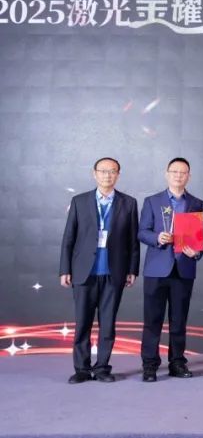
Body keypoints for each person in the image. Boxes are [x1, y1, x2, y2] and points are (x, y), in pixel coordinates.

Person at [59, 157, 139, 383]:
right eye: (103, 171)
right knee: (82, 323)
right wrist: (65, 269)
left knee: (108, 324)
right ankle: (82, 369)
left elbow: (133, 240)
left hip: (114, 272)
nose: (107, 175)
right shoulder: (79, 201)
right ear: (94, 174)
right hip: (84, 272)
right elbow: (68, 238)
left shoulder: (129, 203)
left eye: (112, 171)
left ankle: (102, 368)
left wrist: (132, 269)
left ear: (118, 175)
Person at [137, 157, 203, 382]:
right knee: (152, 320)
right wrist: (157, 238)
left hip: (183, 268)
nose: (178, 175)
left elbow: (202, 237)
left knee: (179, 320)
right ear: (167, 174)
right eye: (174, 172)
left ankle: (177, 362)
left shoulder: (197, 204)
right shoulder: (152, 201)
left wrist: (196, 253)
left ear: (189, 176)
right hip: (157, 269)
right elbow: (142, 232)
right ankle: (149, 365)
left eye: (183, 172)